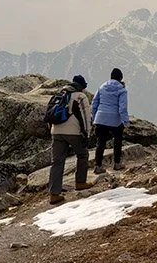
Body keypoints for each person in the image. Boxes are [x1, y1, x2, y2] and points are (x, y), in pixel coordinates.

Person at [48, 75, 93, 205]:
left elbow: (50, 114)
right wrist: (87, 134)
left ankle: (54, 194)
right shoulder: (79, 96)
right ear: (82, 86)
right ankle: (80, 182)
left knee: (57, 162)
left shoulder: (59, 94)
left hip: (56, 132)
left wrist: (53, 131)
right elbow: (85, 117)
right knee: (83, 155)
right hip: (73, 132)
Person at [91, 68, 130, 174]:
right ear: (120, 78)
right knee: (117, 141)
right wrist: (125, 122)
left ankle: (98, 165)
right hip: (114, 120)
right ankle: (117, 163)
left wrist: (95, 118)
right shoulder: (122, 90)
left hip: (100, 118)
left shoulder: (102, 87)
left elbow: (94, 104)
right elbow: (122, 108)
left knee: (100, 143)